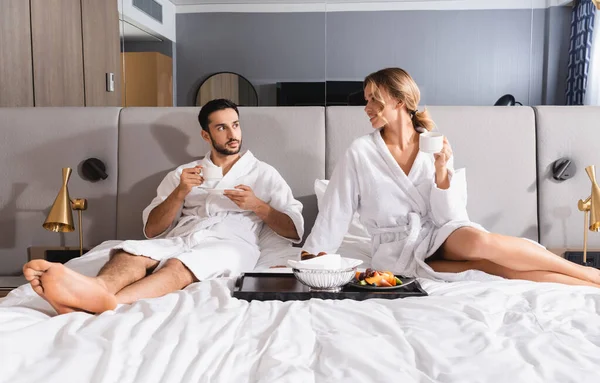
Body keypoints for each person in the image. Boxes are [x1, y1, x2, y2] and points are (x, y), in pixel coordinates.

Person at [302, 67, 600, 288]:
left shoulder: (433, 143)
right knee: (490, 268)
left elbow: (450, 215)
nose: (366, 108)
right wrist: (311, 257)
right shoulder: (360, 152)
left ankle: (589, 273)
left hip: (441, 232)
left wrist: (442, 171)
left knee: (483, 243)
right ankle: (588, 286)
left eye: (373, 100)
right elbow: (336, 211)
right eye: (365, 100)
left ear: (398, 100)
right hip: (397, 252)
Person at [23, 99, 304, 314]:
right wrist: (180, 192)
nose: (233, 134)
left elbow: (294, 231)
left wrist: (258, 206)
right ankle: (98, 288)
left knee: (179, 265)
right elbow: (152, 230)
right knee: (130, 251)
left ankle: (112, 302)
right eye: (221, 127)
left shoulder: (264, 173)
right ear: (206, 135)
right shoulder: (183, 174)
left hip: (232, 243)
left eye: (236, 125)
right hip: (183, 236)